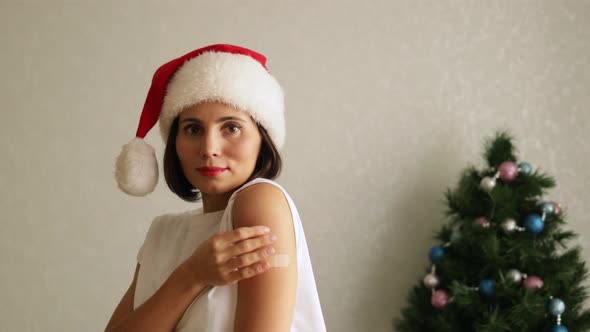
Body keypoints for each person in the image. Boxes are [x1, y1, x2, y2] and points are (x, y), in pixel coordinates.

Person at [104, 44, 327, 332]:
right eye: (193, 129)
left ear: (263, 138)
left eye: (231, 127)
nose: (209, 148)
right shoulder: (162, 233)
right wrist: (192, 275)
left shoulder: (260, 200)